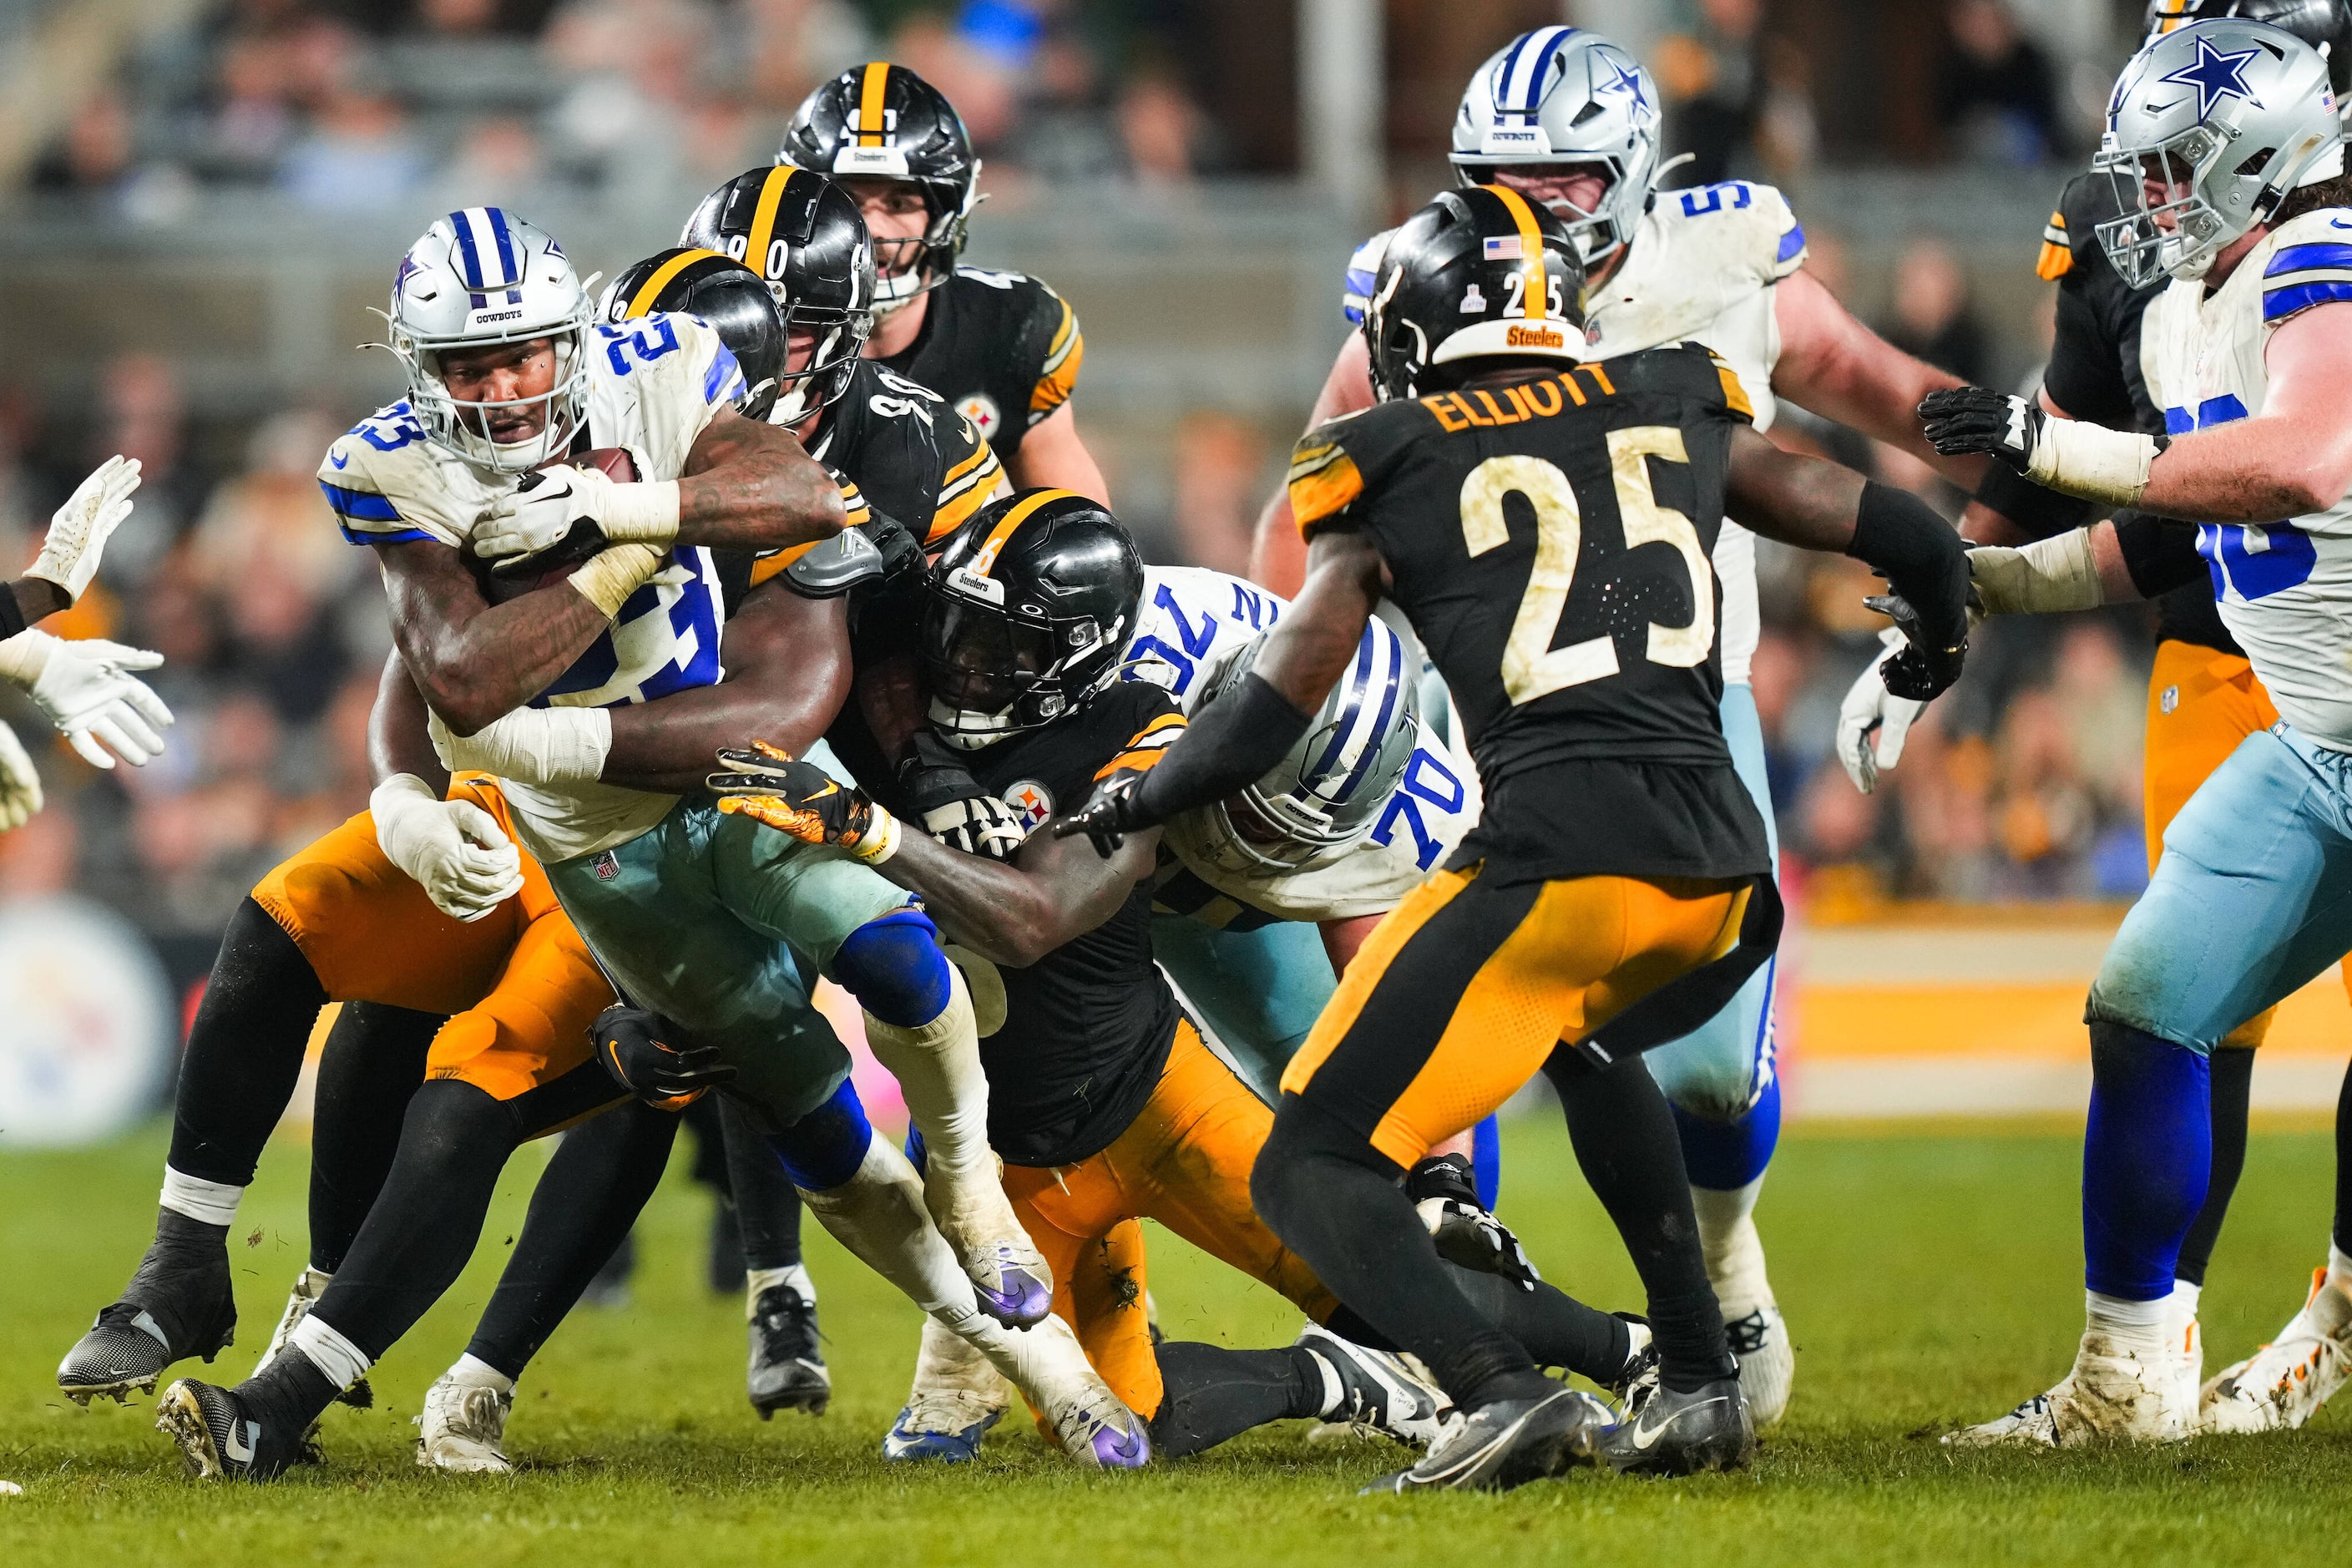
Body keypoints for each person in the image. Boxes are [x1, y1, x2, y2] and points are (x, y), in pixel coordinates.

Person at [1060, 187, 1971, 1490]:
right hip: (1722, 876)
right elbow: (1906, 531)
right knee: (1584, 1039)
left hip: (1557, 855)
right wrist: (1932, 648)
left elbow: (1275, 699)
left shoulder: (1387, 450)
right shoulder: (1671, 391)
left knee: (1313, 1162)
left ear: (1416, 327)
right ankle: (1700, 1378)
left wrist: (1138, 799)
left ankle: (1495, 1392)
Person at [1244, 25, 1987, 1429]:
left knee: (1697, 1068)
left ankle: (1709, 1272)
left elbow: (1901, 402)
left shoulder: (1720, 269)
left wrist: (2045, 467)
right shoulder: (1427, 284)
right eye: (1498, 177)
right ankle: (1485, 1331)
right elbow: (1303, 503)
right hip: (1487, 712)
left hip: (1683, 702)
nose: (1532, 210)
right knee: (1469, 1032)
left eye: (1568, 179)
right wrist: (1310, 676)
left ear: (1634, 172)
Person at [708, 488, 1642, 1467]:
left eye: (1004, 649)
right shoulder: (899, 684)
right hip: (1015, 1166)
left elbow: (1035, 921)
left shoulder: (1139, 724)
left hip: (1165, 1098)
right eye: (960, 628)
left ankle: (1634, 1349)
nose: (967, 664)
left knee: (1394, 1286)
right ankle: (1326, 1380)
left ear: (1077, 659)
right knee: (1122, 1435)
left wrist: (870, 826)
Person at [1836, 0, 2352, 1439]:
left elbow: (2306, 460)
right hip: (2317, 744)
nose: (2142, 198)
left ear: (2263, 160)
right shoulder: (2191, 305)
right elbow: (2187, 536)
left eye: (2177, 167)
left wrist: (2050, 445)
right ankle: (2127, 1379)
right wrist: (1982, 590)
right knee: (2146, 1006)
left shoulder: (2324, 255)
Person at [780, 62, 1108, 501]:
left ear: (942, 215)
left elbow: (1078, 526)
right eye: (847, 200)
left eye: (899, 201)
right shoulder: (755, 328)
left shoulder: (1009, 330)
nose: (874, 228)